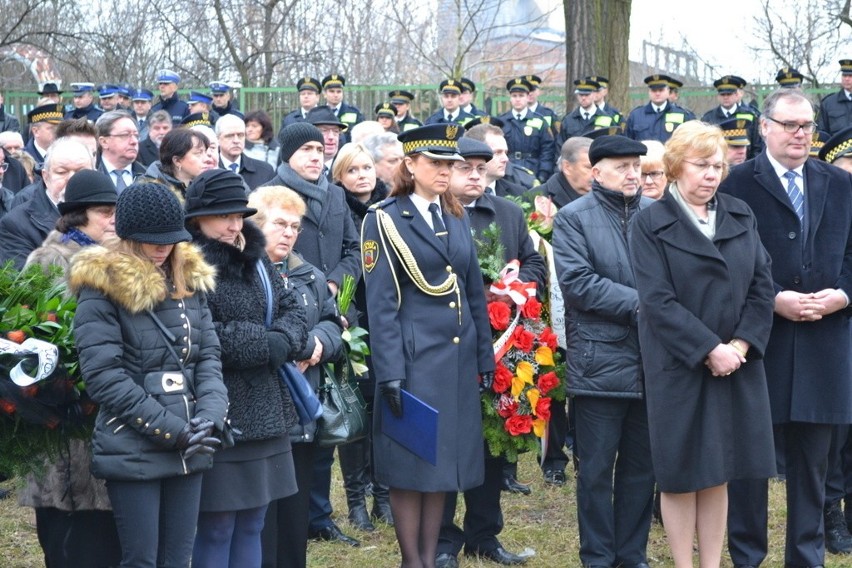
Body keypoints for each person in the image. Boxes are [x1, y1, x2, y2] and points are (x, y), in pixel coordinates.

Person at [629, 121, 776, 568]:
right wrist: (711, 348)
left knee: (719, 471)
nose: (712, 174)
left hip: (737, 363)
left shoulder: (739, 213)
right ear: (676, 167)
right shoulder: (650, 221)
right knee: (680, 474)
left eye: (718, 165)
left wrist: (741, 345)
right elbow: (657, 301)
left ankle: (711, 563)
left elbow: (761, 286)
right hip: (681, 364)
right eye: (701, 165)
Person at [720, 88, 852, 568]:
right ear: (765, 127)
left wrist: (842, 294)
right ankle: (748, 557)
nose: (800, 134)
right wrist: (773, 298)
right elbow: (723, 262)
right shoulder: (735, 185)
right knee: (750, 465)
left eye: (808, 126)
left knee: (813, 466)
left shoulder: (839, 183)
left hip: (825, 342)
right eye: (791, 125)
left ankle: (806, 557)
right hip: (761, 342)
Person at [69, 180, 229, 568]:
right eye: (151, 239)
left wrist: (209, 416)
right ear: (127, 236)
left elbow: (208, 357)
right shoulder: (101, 289)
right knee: (141, 559)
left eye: (170, 239)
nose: (162, 248)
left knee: (177, 558)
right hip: (135, 441)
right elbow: (104, 377)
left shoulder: (188, 280)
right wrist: (173, 430)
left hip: (191, 439)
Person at [361, 124, 495, 568]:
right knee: (411, 465)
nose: (444, 171)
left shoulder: (455, 215)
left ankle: (430, 553)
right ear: (411, 165)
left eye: (449, 163)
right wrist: (391, 373)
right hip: (414, 361)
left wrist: (483, 357)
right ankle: (412, 560)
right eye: (435, 163)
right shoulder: (383, 218)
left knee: (442, 469)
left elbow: (473, 291)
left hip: (455, 362)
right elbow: (380, 306)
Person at [184, 169, 307, 568]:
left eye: (239, 215)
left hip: (267, 408)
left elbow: (291, 308)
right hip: (219, 411)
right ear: (198, 218)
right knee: (217, 524)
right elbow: (197, 330)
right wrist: (262, 343)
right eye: (224, 216)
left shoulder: (253, 256)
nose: (234, 225)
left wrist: (282, 341)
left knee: (254, 521)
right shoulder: (185, 262)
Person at [436, 136, 546, 568]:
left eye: (482, 168)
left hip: (502, 348)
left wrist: (513, 284)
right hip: (448, 347)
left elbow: (533, 264)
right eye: (467, 168)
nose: (475, 175)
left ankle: (485, 533)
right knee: (449, 443)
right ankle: (444, 539)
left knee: (492, 443)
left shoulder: (508, 212)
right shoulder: (436, 215)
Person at [551, 135, 656, 568]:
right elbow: (578, 283)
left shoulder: (659, 215)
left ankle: (632, 555)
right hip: (599, 363)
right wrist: (648, 307)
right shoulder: (574, 218)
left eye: (637, 166)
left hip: (653, 363)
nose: (633, 174)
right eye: (623, 166)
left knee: (641, 469)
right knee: (594, 471)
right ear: (596, 173)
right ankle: (597, 556)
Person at [261, 121, 362, 547]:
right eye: (305, 149)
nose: (316, 156)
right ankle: (299, 515)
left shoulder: (336, 194)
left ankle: (319, 513)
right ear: (286, 156)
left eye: (320, 149)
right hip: (285, 315)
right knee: (299, 423)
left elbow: (355, 251)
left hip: (331, 309)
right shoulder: (271, 196)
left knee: (327, 416)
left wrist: (336, 283)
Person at [19, 170, 121, 568]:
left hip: (107, 416)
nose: (113, 219)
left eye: (116, 211)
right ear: (77, 216)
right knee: (69, 538)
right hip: (64, 420)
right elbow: (43, 340)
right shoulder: (50, 260)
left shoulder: (117, 259)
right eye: (103, 212)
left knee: (104, 538)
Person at [248, 185, 345, 568]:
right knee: (261, 518)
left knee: (294, 512)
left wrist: (320, 341)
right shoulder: (245, 274)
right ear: (256, 225)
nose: (288, 233)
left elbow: (333, 322)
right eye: (280, 224)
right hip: (261, 413)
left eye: (295, 226)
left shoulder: (310, 275)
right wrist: (297, 348)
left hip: (303, 410)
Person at [331, 142, 392, 532]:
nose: (362, 175)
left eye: (367, 167)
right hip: (352, 322)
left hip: (388, 322)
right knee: (357, 413)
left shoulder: (391, 209)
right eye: (352, 170)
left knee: (385, 413)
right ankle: (356, 500)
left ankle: (384, 497)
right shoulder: (336, 213)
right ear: (339, 177)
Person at [0, 138, 94, 269]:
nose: (72, 179)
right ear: (46, 176)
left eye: (81, 172)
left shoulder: (112, 215)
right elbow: (27, 284)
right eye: (62, 172)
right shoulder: (15, 224)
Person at [498, 78, 555, 184]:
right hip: (508, 170)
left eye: (521, 95)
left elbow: (547, 149)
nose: (517, 99)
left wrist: (543, 173)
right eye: (514, 96)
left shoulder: (539, 121)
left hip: (533, 170)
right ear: (510, 98)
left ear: (528, 97)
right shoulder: (501, 122)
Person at [701, 76, 762, 158]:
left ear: (736, 95)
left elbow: (757, 146)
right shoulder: (708, 118)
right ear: (718, 96)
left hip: (745, 165)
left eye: (729, 94)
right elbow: (704, 146)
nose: (726, 97)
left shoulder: (750, 116)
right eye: (722, 94)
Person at [625, 75, 695, 144]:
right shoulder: (636, 115)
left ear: (668, 91)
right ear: (649, 92)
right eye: (654, 90)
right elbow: (628, 143)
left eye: (661, 90)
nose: (657, 93)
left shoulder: (683, 115)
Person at [216, 114, 274, 190]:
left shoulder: (265, 171)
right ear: (217, 139)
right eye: (229, 136)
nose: (236, 141)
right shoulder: (208, 170)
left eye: (240, 135)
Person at [151, 128, 215, 198]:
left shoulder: (208, 186)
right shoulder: (154, 194)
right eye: (198, 153)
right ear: (177, 161)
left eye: (205, 152)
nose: (206, 159)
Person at [96, 110, 146, 192]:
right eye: (125, 135)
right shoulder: (90, 176)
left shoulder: (148, 177)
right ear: (104, 142)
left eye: (136, 135)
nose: (134, 141)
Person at [558, 78, 616, 146]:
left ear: (594, 95)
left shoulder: (607, 119)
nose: (583, 98)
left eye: (587, 95)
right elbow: (560, 146)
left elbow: (613, 144)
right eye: (581, 95)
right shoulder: (568, 120)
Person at [321, 74, 364, 144]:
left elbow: (361, 136)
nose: (336, 95)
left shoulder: (354, 113)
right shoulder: (318, 113)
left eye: (339, 91)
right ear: (324, 94)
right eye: (332, 91)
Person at [817, 59, 852, 136]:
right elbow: (822, 133)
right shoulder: (828, 103)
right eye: (844, 75)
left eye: (850, 76)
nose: (847, 79)